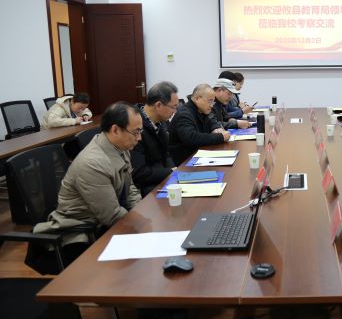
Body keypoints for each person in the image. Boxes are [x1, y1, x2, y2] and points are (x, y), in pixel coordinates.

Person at [31, 102, 143, 274]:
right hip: (80, 234)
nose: (139, 138)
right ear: (115, 130)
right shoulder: (93, 163)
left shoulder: (120, 147)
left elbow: (130, 188)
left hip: (102, 223)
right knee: (135, 268)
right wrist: (141, 226)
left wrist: (141, 212)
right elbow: (112, 215)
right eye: (136, 132)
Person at [131, 81, 179, 197]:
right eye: (173, 107)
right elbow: (139, 173)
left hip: (162, 178)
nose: (175, 112)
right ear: (158, 105)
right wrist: (171, 172)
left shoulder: (160, 122)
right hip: (146, 187)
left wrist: (174, 173)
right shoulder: (135, 127)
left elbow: (166, 154)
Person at [169, 84, 230, 166]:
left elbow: (211, 120)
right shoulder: (184, 114)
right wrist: (220, 137)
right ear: (197, 99)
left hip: (197, 156)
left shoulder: (201, 110)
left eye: (213, 102)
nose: (212, 105)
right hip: (184, 163)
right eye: (210, 101)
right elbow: (192, 138)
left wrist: (216, 128)